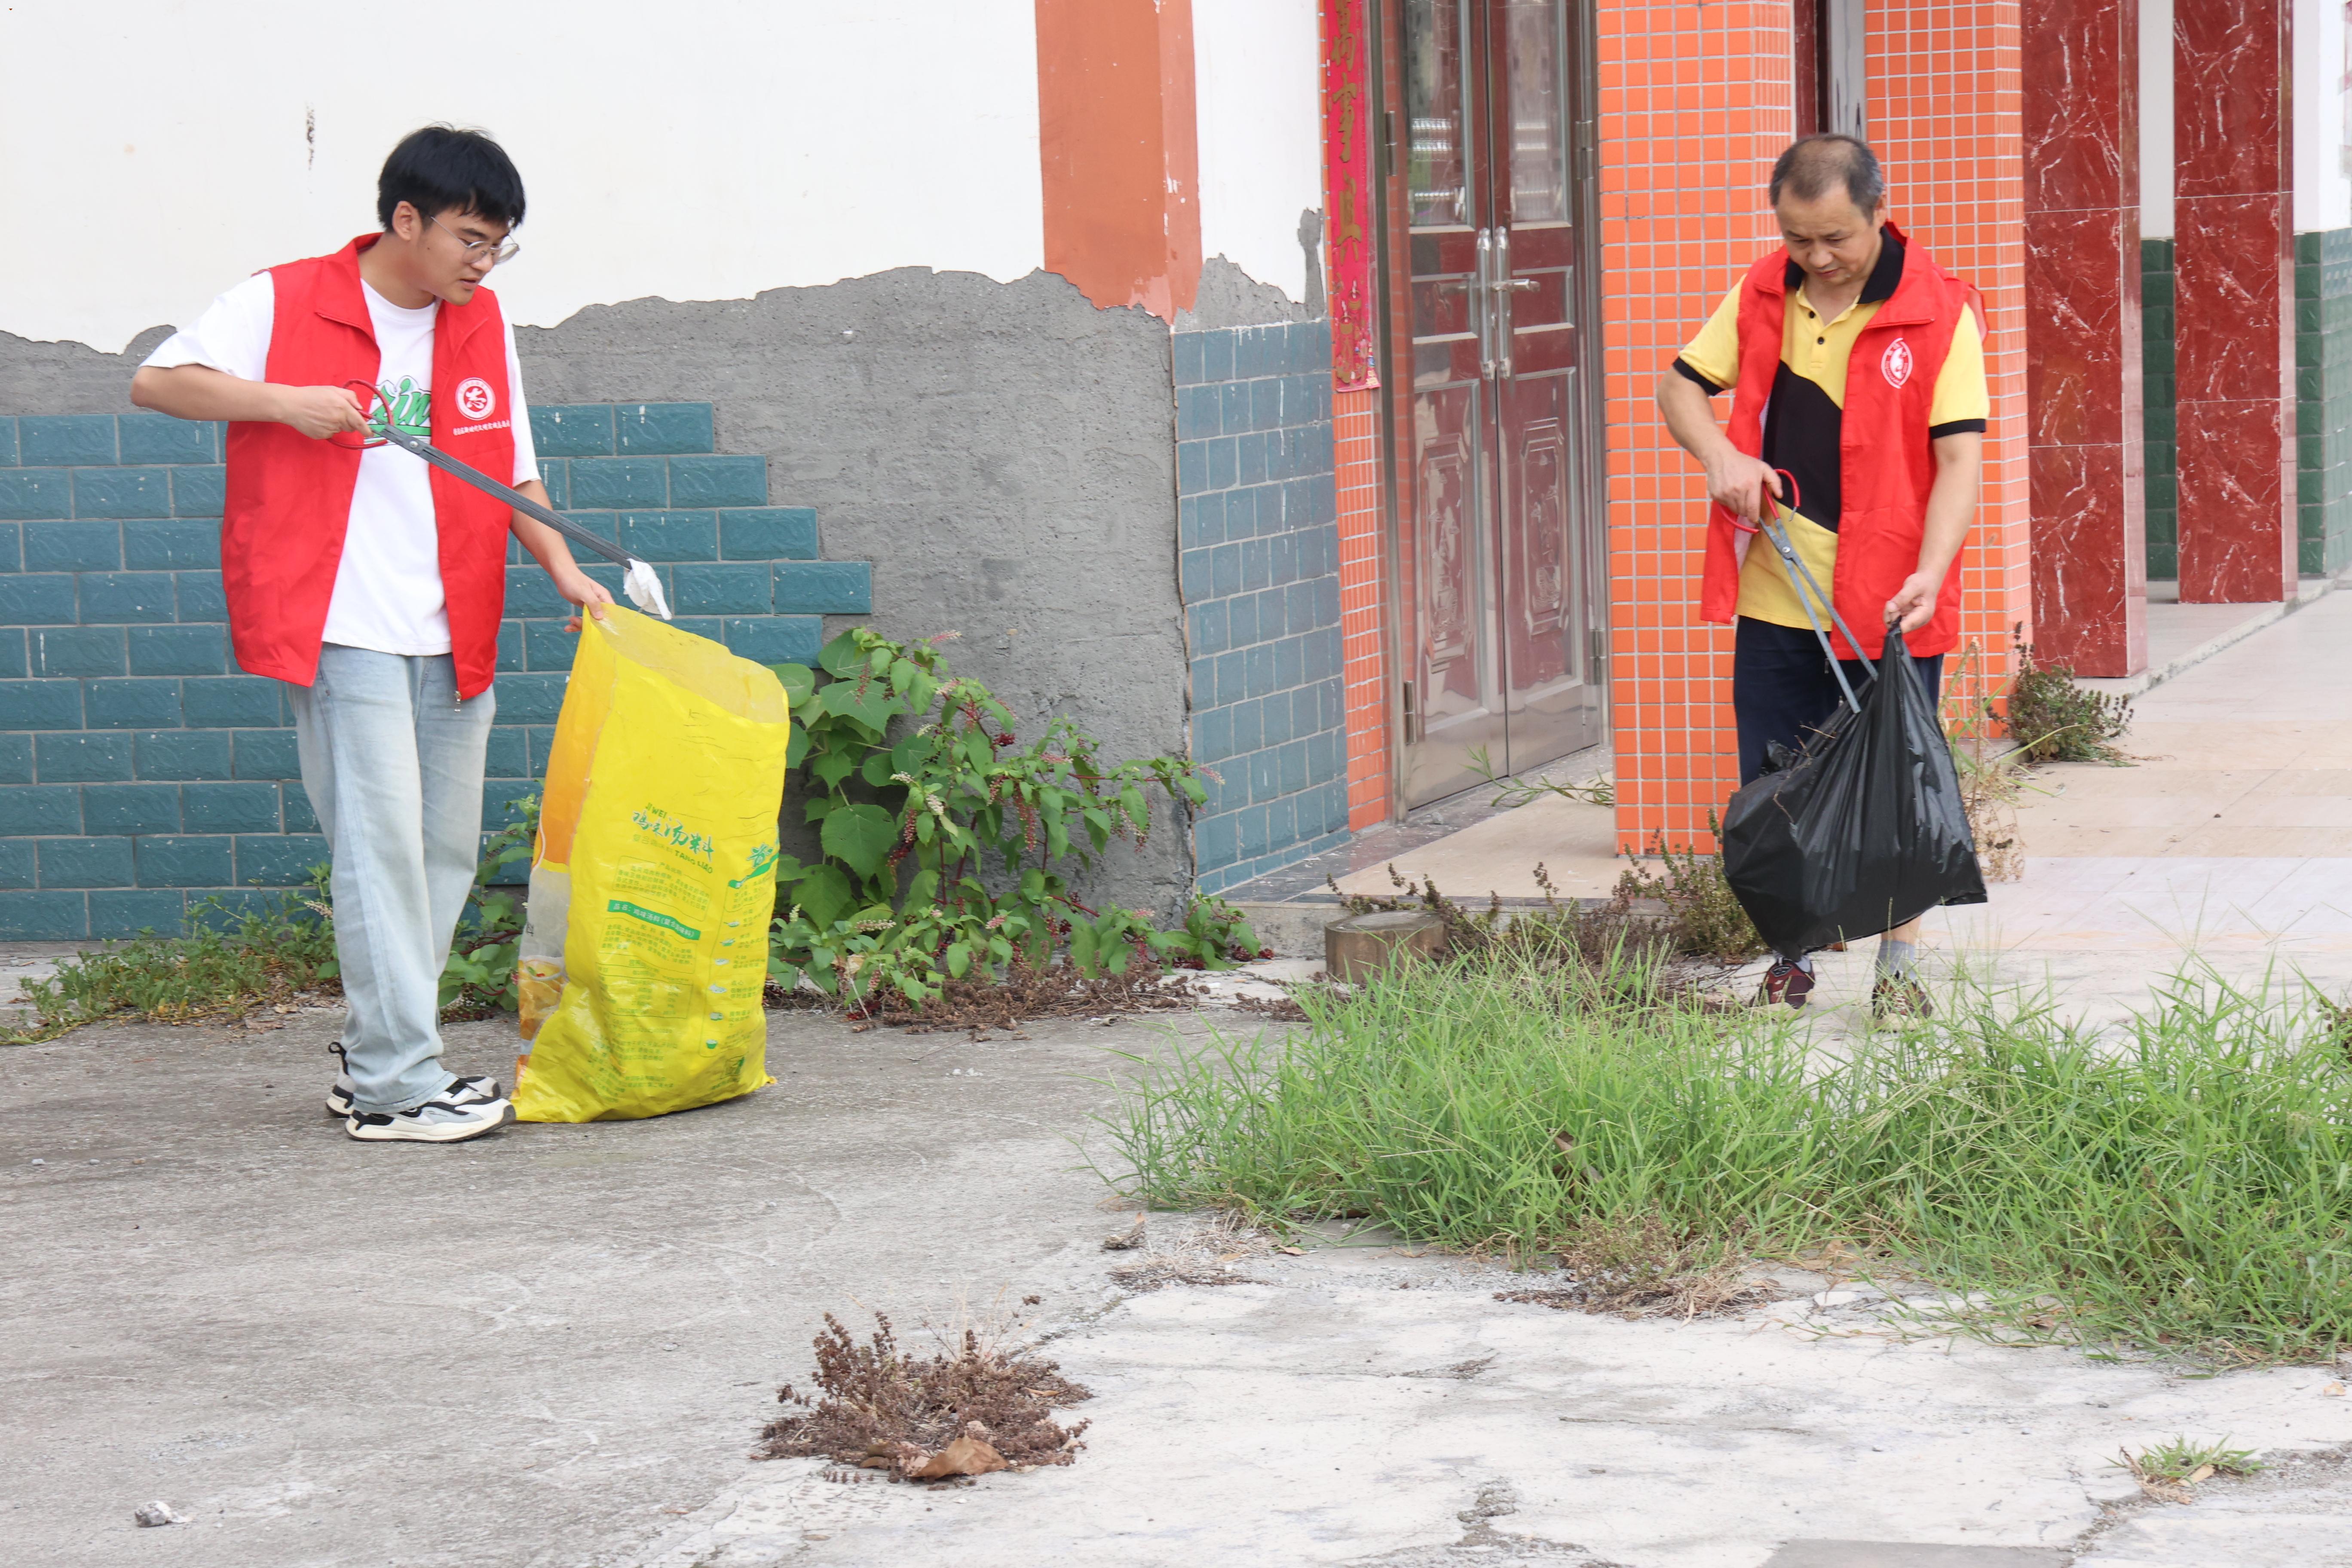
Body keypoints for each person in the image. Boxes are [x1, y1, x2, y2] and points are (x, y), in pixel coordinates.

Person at [130, 125, 614, 1141]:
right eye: (472, 240)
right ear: (407, 220)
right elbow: (158, 382)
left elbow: (508, 463)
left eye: (499, 246)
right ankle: (398, 1088)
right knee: (379, 849)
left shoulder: (481, 324)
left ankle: (374, 1059)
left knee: (439, 853)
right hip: (340, 620)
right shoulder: (285, 297)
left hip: (455, 616)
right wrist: (285, 405)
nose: (484, 264)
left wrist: (562, 567)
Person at [1655, 134, 1987, 1019]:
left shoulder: (1941, 312)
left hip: (1891, 597)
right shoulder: (1763, 290)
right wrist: (1721, 453)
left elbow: (1960, 462)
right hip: (1780, 582)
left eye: (1835, 237)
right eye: (1799, 238)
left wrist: (1932, 571)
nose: (1817, 258)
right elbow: (1679, 388)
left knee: (1898, 776)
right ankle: (1792, 957)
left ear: (1879, 213)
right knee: (1776, 775)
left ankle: (1900, 971)